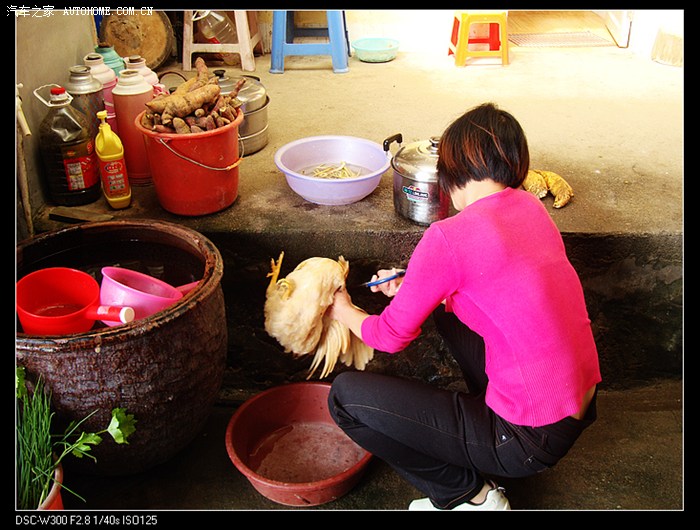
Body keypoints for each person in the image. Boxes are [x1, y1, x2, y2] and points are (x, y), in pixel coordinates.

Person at [327, 102, 601, 511]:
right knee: (444, 307)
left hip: (528, 438)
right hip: (574, 407)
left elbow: (388, 338)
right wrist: (419, 285)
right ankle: (486, 431)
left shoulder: (447, 237)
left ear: (450, 170)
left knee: (344, 399)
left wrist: (341, 309)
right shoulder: (530, 207)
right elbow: (491, 285)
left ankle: (468, 496)